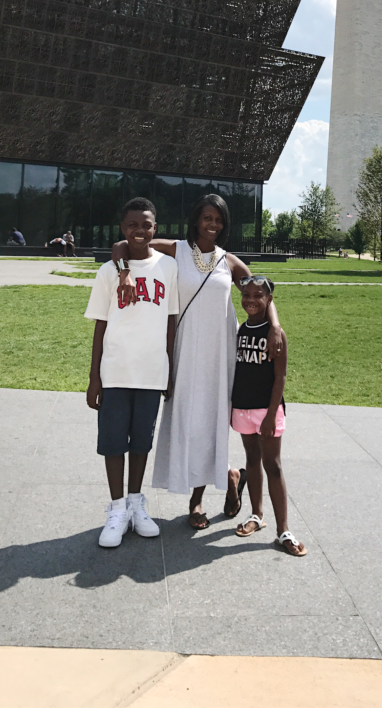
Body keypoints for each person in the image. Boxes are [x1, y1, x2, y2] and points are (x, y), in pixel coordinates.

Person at [112, 194, 283, 529]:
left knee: (211, 422)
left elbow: (262, 291)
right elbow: (121, 245)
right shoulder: (176, 249)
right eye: (207, 218)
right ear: (196, 220)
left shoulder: (229, 262)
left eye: (218, 220)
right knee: (188, 421)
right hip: (185, 348)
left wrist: (275, 326)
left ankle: (197, 500)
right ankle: (231, 474)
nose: (213, 225)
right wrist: (123, 274)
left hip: (220, 354)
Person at [84, 198, 179, 548]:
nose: (140, 230)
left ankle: (137, 503)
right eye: (133, 225)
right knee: (113, 443)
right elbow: (100, 326)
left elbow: (171, 321)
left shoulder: (168, 267)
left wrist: (170, 366)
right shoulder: (108, 272)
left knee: (141, 442)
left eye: (147, 225)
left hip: (152, 371)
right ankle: (117, 509)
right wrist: (94, 376)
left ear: (156, 229)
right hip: (116, 370)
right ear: (123, 229)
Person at [232, 276, 306, 556]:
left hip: (267, 410)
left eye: (258, 295)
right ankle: (256, 515)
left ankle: (283, 530)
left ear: (269, 300)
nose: (251, 299)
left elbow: (280, 377)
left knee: (272, 465)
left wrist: (271, 414)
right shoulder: (240, 330)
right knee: (251, 461)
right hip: (242, 407)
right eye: (246, 294)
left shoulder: (275, 334)